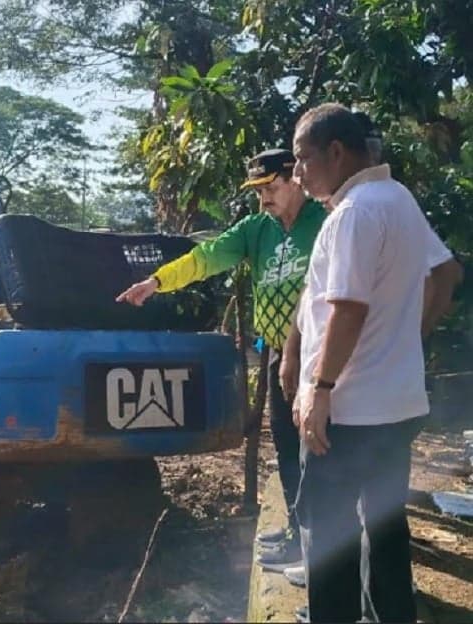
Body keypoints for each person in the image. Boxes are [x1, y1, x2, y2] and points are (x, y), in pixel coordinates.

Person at [288, 102, 464, 623]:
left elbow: (348, 308)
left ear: (335, 152)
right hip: (394, 407)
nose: (297, 172)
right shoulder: (398, 199)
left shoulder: (354, 213)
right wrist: (407, 339)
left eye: (302, 158)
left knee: (330, 537)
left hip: (347, 413)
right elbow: (447, 273)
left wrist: (320, 388)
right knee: (384, 530)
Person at [116, 148, 325, 567]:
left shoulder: (325, 220)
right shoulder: (256, 230)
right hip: (279, 355)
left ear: (296, 179)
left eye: (271, 188)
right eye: (257, 191)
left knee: (319, 447)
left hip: (322, 354)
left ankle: (326, 542)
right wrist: (157, 281)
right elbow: (205, 258)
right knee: (287, 446)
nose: (263, 198)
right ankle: (299, 533)